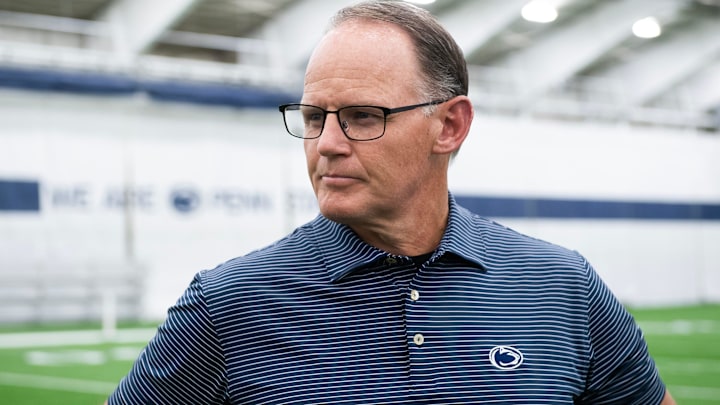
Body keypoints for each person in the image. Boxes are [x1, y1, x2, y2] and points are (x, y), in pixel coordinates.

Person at [106, 1, 676, 403]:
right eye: (312, 118)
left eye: (362, 117)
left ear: (449, 125)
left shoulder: (560, 286)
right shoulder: (228, 305)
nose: (326, 144)